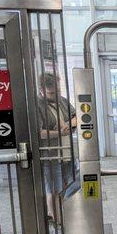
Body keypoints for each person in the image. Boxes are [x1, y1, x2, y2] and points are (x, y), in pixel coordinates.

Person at [37, 72, 76, 225]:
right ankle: (57, 221)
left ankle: (64, 217)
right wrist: (58, 133)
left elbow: (76, 115)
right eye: (51, 92)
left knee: (67, 185)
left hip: (66, 151)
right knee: (54, 189)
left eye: (57, 91)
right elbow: (38, 133)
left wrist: (69, 124)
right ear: (42, 90)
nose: (55, 94)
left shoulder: (62, 101)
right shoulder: (38, 106)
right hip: (51, 155)